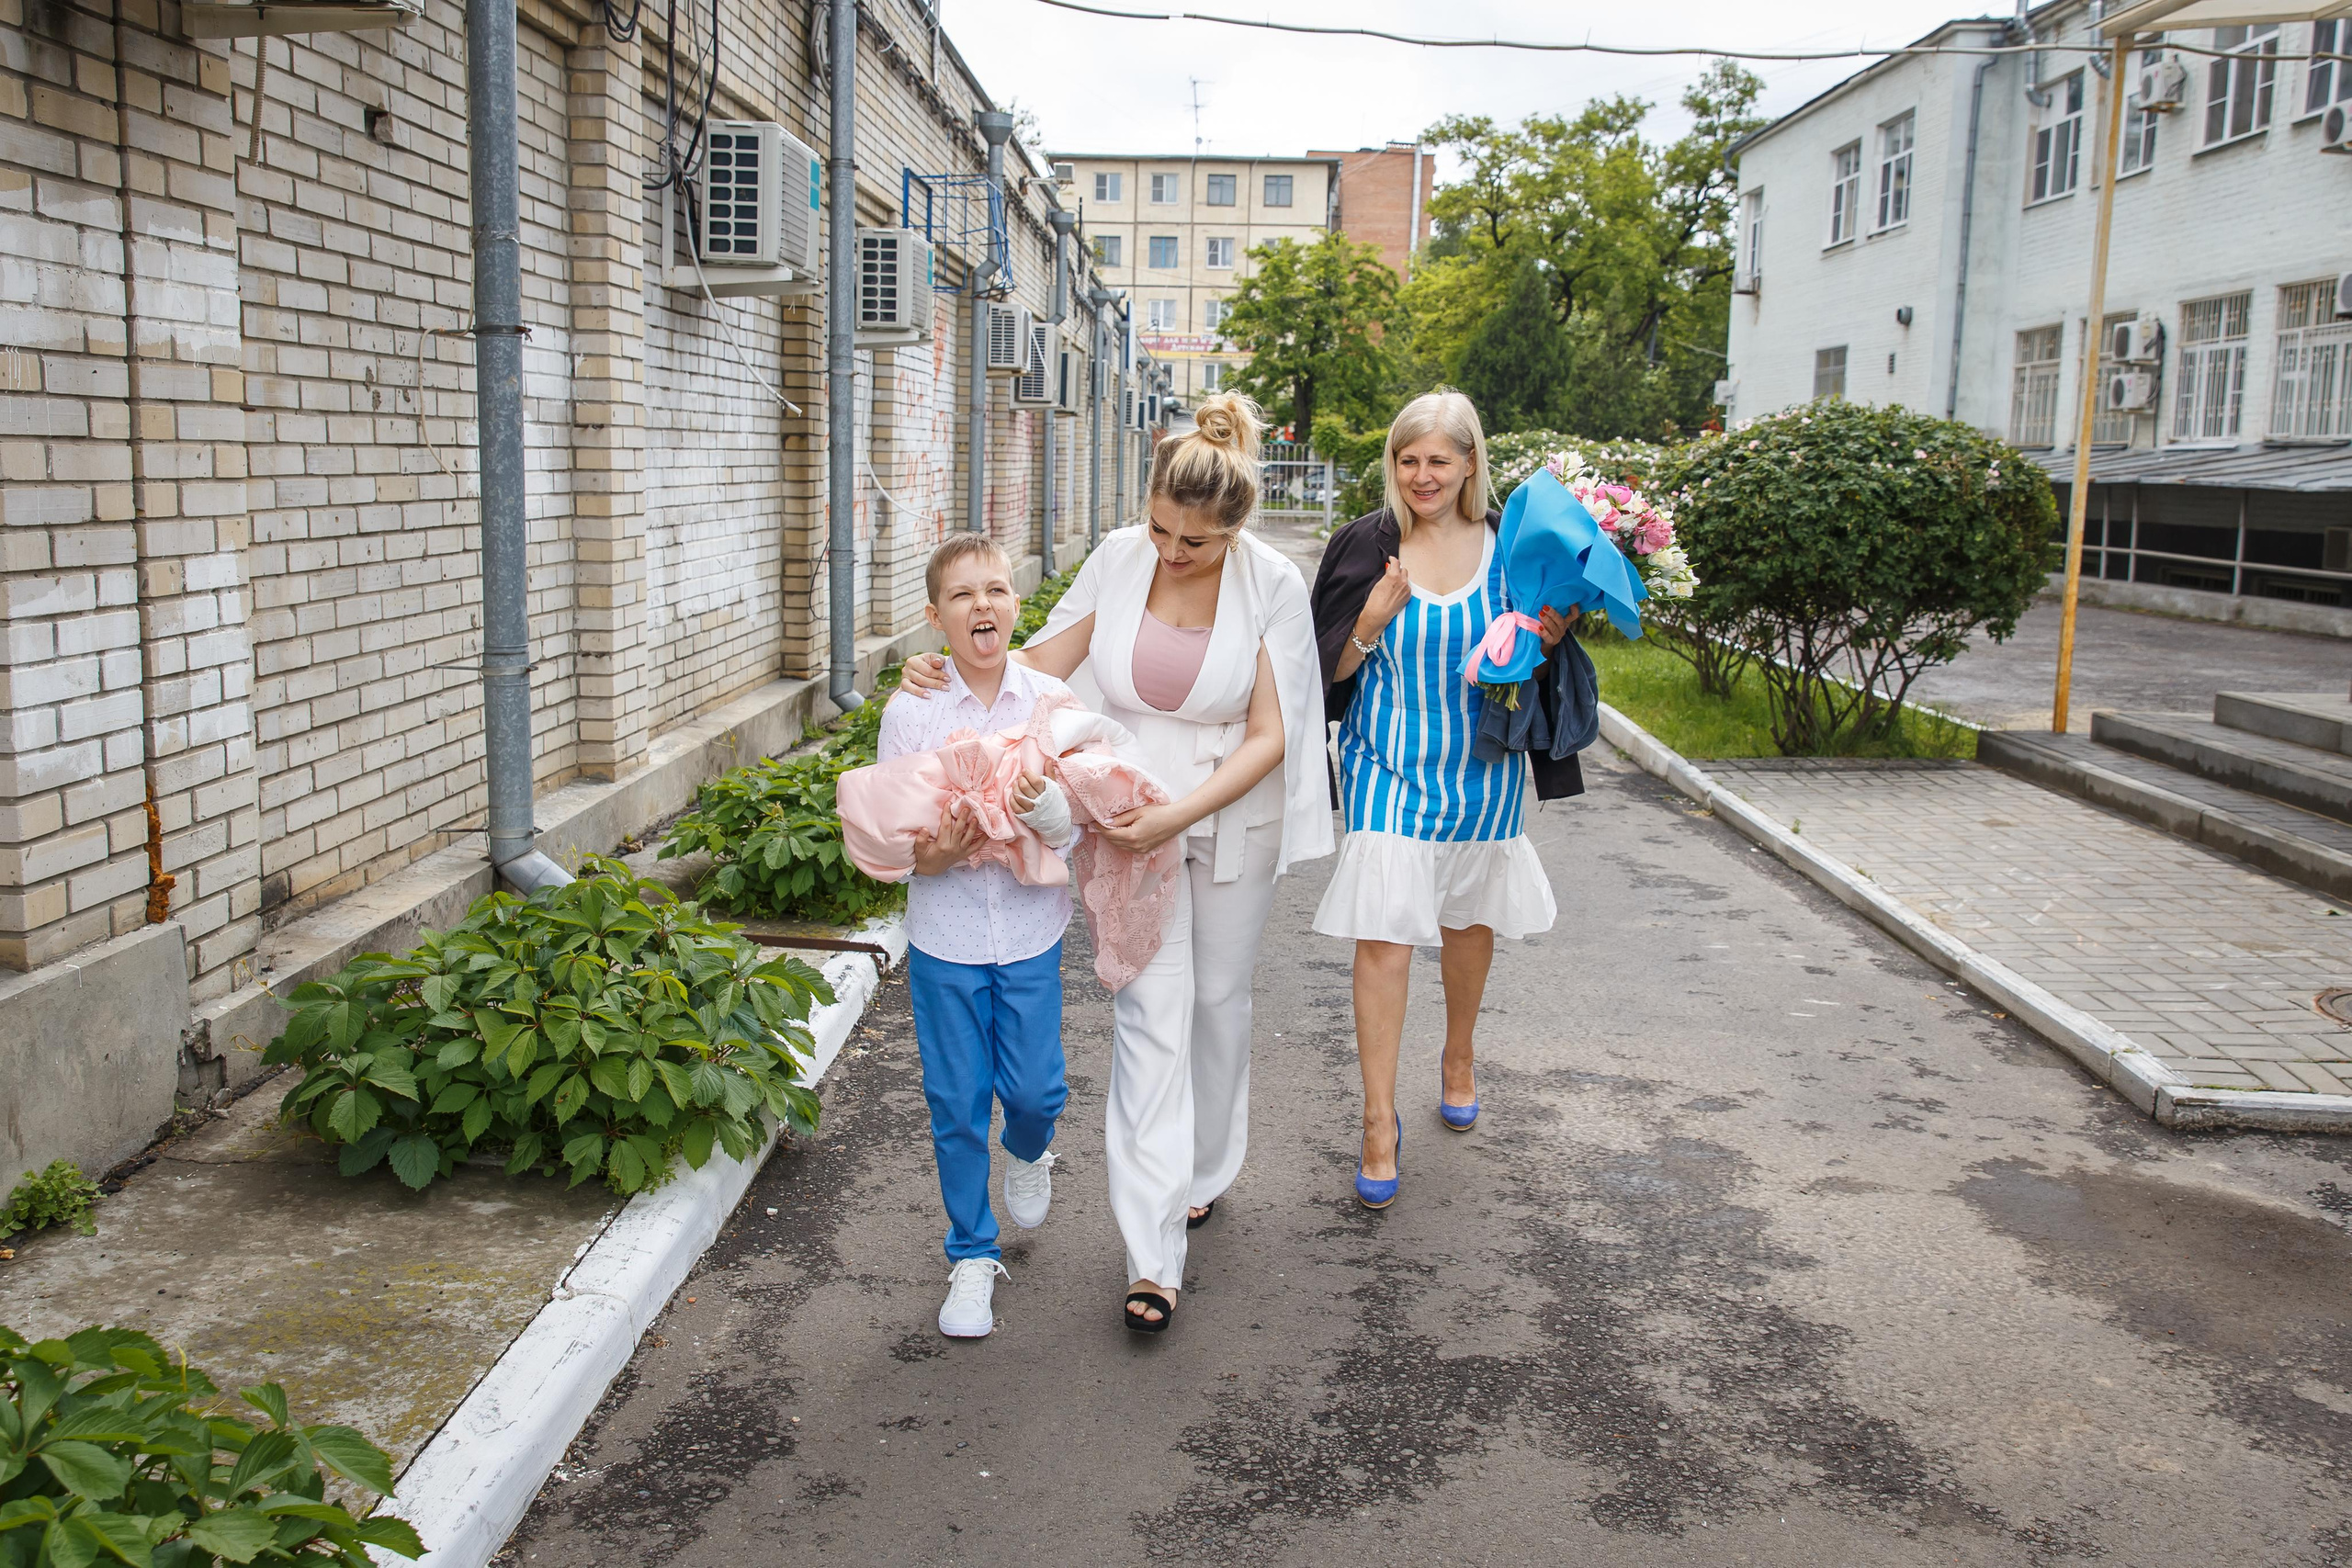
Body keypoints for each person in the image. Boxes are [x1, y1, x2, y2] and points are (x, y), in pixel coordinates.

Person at [897, 391, 1330, 1333]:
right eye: (1161, 529)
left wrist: (1181, 813)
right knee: (1148, 1015)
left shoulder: (1272, 586)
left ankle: (1204, 1167)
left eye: (1194, 544)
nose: (1171, 554)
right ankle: (1152, 1254)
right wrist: (943, 668)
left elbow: (1272, 734)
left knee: (1217, 1006)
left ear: (1233, 530)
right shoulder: (1122, 557)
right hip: (1125, 818)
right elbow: (1034, 667)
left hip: (1223, 818)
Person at [1307, 389, 1577, 1209]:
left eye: (1438, 460)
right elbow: (1319, 672)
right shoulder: (1367, 545)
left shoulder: (1514, 550)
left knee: (1465, 923)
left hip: (1482, 772)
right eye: (1407, 459)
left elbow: (1537, 664)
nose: (1422, 476)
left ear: (1469, 464)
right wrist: (1367, 625)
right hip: (1386, 768)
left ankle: (1458, 1054)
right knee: (1385, 936)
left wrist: (1551, 637)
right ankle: (1378, 1121)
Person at [879, 534, 1083, 1339]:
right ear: (936, 617)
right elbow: (895, 839)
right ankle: (970, 1252)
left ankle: (1030, 1150)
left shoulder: (1049, 701)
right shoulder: (914, 711)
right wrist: (928, 857)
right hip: (946, 940)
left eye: (995, 589)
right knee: (955, 1104)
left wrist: (1046, 813)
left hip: (1029, 932)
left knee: (1034, 1092)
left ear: (1017, 602)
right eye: (962, 596)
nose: (982, 606)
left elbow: (1075, 821)